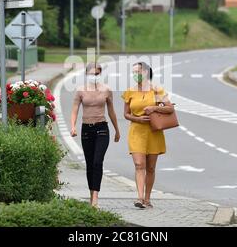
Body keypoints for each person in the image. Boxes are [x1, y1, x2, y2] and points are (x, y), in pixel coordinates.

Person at [121, 62, 174, 209]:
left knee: (150, 168)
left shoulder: (157, 90)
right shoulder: (129, 92)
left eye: (137, 71)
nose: (134, 75)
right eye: (133, 72)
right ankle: (139, 197)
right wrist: (137, 118)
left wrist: (154, 108)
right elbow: (125, 114)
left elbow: (169, 108)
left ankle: (147, 198)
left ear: (145, 72)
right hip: (136, 131)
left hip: (153, 132)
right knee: (139, 165)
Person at [70, 62, 120, 208]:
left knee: (98, 161)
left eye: (97, 74)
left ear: (101, 74)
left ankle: (96, 198)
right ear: (86, 75)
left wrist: (117, 130)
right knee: (90, 163)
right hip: (86, 129)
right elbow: (74, 110)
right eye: (92, 74)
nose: (94, 76)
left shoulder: (107, 90)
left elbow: (111, 111)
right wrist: (73, 126)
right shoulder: (80, 91)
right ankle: (91, 194)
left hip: (102, 129)